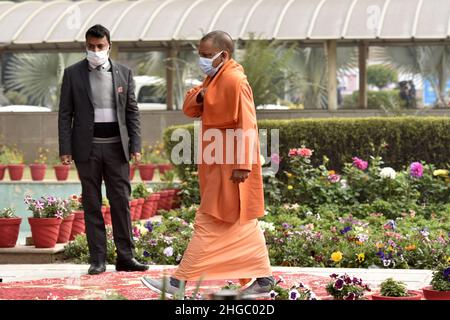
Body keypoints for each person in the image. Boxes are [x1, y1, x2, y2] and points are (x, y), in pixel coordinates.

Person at [142, 30, 274, 298]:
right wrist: (204, 95)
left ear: (223, 55)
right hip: (216, 164)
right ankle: (263, 278)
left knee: (208, 220)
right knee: (242, 221)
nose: (201, 61)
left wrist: (243, 165)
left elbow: (248, 125)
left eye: (205, 56)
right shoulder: (214, 78)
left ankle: (178, 282)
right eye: (200, 55)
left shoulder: (236, 81)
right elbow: (191, 106)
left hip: (233, 168)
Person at [58, 24, 148, 275]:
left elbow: (132, 112)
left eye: (100, 46)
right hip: (87, 149)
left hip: (117, 149)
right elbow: (65, 114)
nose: (95, 50)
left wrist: (135, 145)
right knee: (92, 203)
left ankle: (126, 257)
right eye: (91, 46)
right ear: (85, 46)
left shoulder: (124, 73)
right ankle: (97, 259)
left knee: (121, 202)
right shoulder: (73, 73)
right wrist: (65, 148)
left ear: (109, 45)